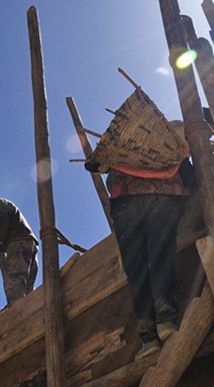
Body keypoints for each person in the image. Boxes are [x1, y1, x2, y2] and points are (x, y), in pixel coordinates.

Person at [85, 121, 194, 360]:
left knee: (136, 269)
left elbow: (95, 165)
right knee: (160, 254)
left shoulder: (127, 151)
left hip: (125, 204)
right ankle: (166, 320)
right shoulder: (173, 147)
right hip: (162, 197)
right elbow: (190, 178)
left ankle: (148, 337)